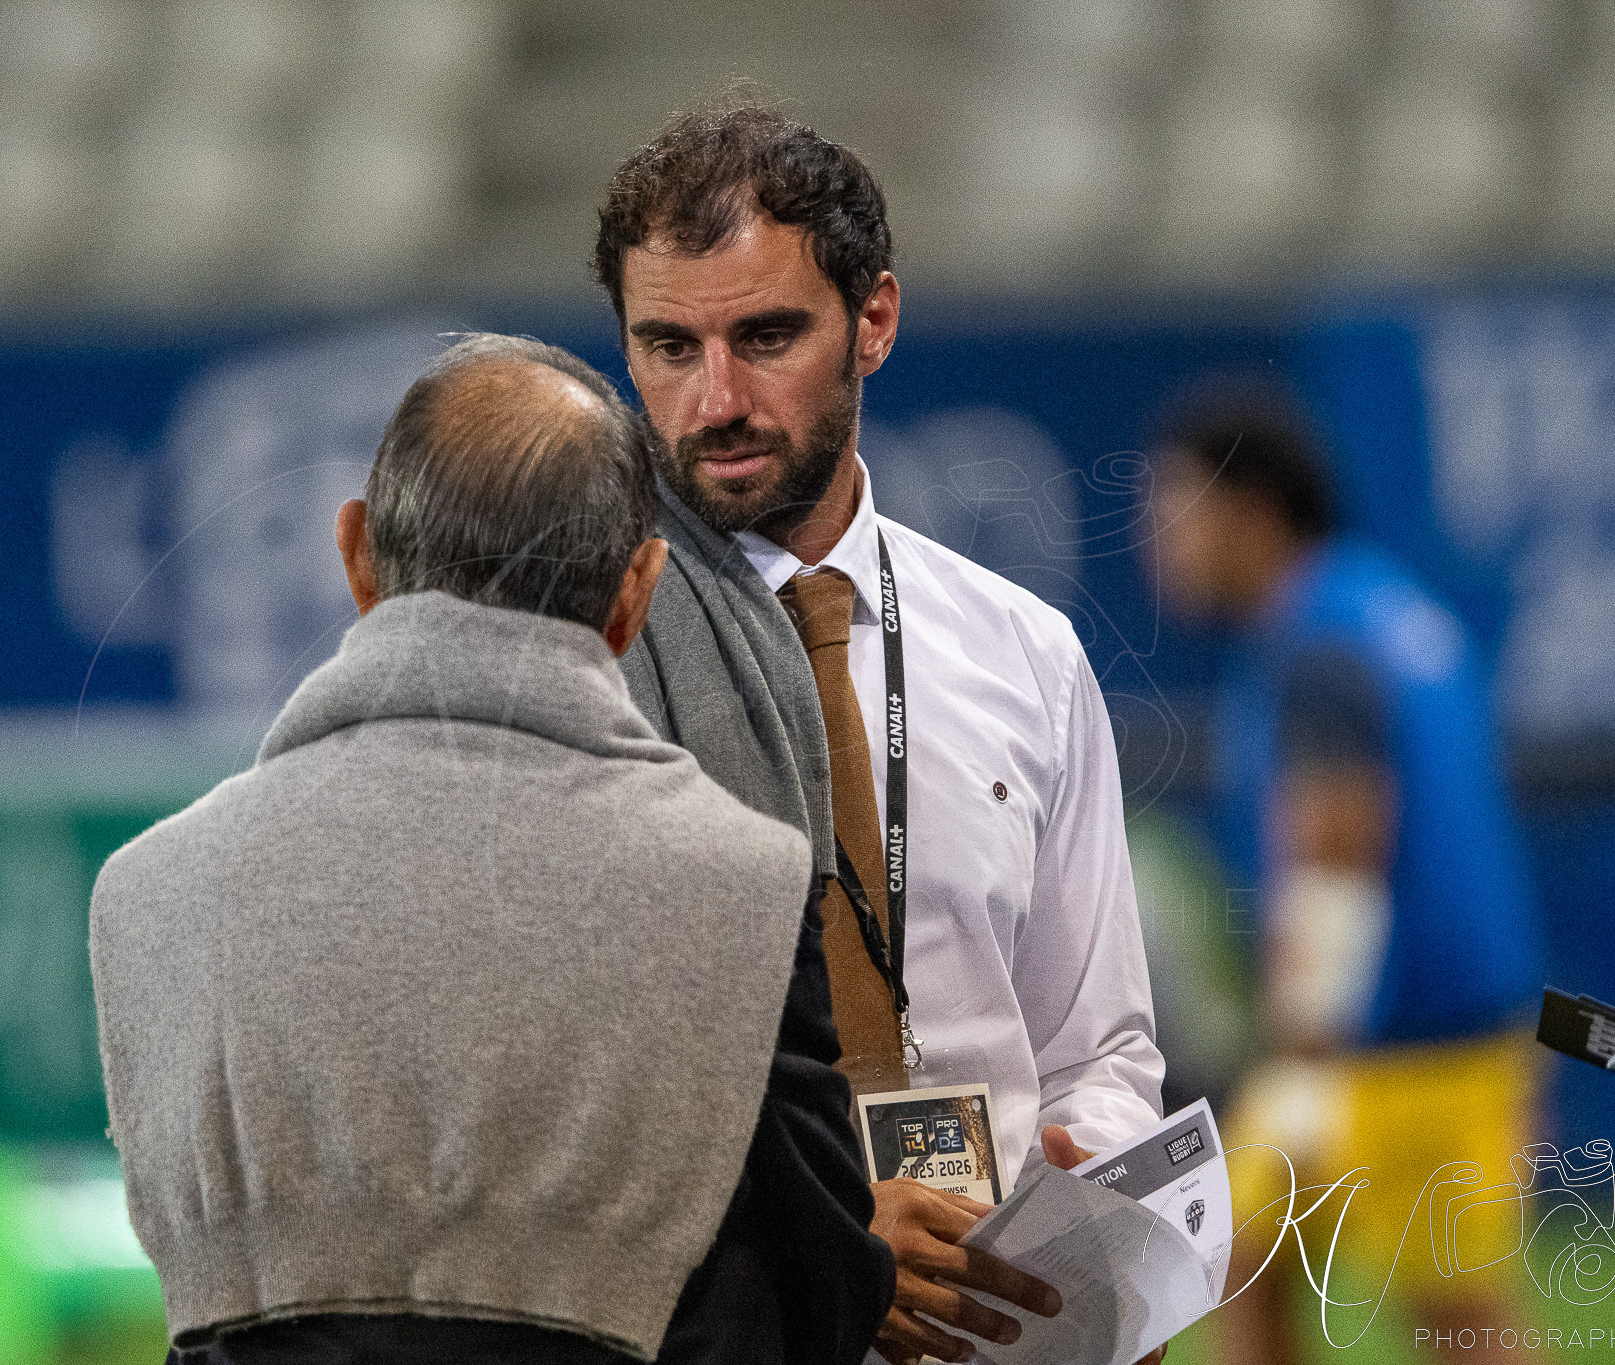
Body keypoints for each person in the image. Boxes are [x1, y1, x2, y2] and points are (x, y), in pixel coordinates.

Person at [89, 335, 894, 1365]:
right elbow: (815, 1295)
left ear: (356, 555)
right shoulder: (741, 883)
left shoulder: (149, 889)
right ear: (635, 592)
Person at [594, 104, 1165, 1365]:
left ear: (875, 320)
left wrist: (1111, 1233)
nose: (716, 398)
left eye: (766, 336)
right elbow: (559, 1095)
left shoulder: (1024, 652)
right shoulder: (585, 665)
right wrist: (834, 1226)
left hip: (1000, 1318)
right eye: (667, 347)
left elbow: (1098, 1042)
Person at [1144, 388, 1545, 1364]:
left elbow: (1335, 860)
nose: (1158, 539)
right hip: (1446, 1034)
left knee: (1457, 1325)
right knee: (1249, 1261)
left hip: (1399, 1054)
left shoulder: (1315, 643)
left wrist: (1305, 1065)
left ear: (1250, 508)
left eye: (1173, 505)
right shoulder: (1377, 605)